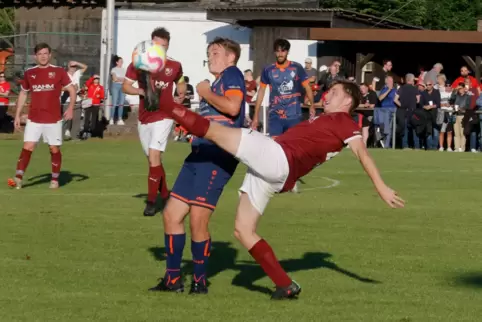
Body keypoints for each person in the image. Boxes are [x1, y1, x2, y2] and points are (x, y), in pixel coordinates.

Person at [158, 80, 405, 299]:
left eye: (334, 92)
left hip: (277, 161)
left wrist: (381, 187)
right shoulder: (327, 119)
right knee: (243, 231)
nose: (327, 95)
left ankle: (166, 104)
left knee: (215, 132)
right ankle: (285, 285)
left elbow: (362, 153)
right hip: (277, 171)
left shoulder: (343, 120)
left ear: (348, 100)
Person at [148, 37, 245, 295]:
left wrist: (204, 92)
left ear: (230, 57)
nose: (211, 57)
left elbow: (233, 108)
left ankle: (200, 283)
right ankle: (172, 280)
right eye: (209, 53)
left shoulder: (232, 74)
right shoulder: (215, 83)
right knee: (171, 215)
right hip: (199, 154)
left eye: (216, 52)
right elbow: (209, 120)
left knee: (198, 220)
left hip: (217, 156)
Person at [122, 27, 186, 216]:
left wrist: (180, 93)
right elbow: (125, 86)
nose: (161, 50)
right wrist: (140, 92)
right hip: (145, 117)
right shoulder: (139, 63)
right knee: (153, 161)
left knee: (154, 157)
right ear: (150, 44)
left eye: (165, 46)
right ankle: (165, 194)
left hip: (164, 116)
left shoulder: (174, 65)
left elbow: (180, 81)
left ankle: (151, 202)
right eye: (158, 45)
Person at [8, 43, 76, 189]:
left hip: (53, 119)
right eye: (40, 54)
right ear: (35, 56)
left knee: (54, 149)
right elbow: (23, 93)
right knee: (28, 146)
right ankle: (18, 177)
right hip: (34, 118)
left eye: (45, 53)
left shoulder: (58, 71)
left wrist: (71, 108)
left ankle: (55, 179)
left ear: (50, 55)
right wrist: (18, 115)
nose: (43, 56)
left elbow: (72, 89)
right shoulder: (30, 73)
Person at [251, 38, 314, 136]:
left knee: (292, 146)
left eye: (283, 51)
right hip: (275, 115)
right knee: (275, 146)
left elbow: (307, 87)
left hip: (294, 115)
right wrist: (255, 116)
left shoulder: (297, 67)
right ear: (274, 52)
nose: (280, 54)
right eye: (278, 51)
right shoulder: (268, 70)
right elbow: (261, 91)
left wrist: (312, 106)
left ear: (287, 52)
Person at [111, 56, 126, 125]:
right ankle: (111, 118)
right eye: (120, 61)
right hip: (115, 86)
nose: (121, 63)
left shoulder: (124, 70)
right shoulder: (113, 69)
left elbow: (126, 80)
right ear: (117, 62)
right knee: (114, 103)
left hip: (123, 86)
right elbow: (115, 79)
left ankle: (120, 118)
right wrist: (121, 79)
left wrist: (119, 78)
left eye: (122, 61)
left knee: (121, 103)